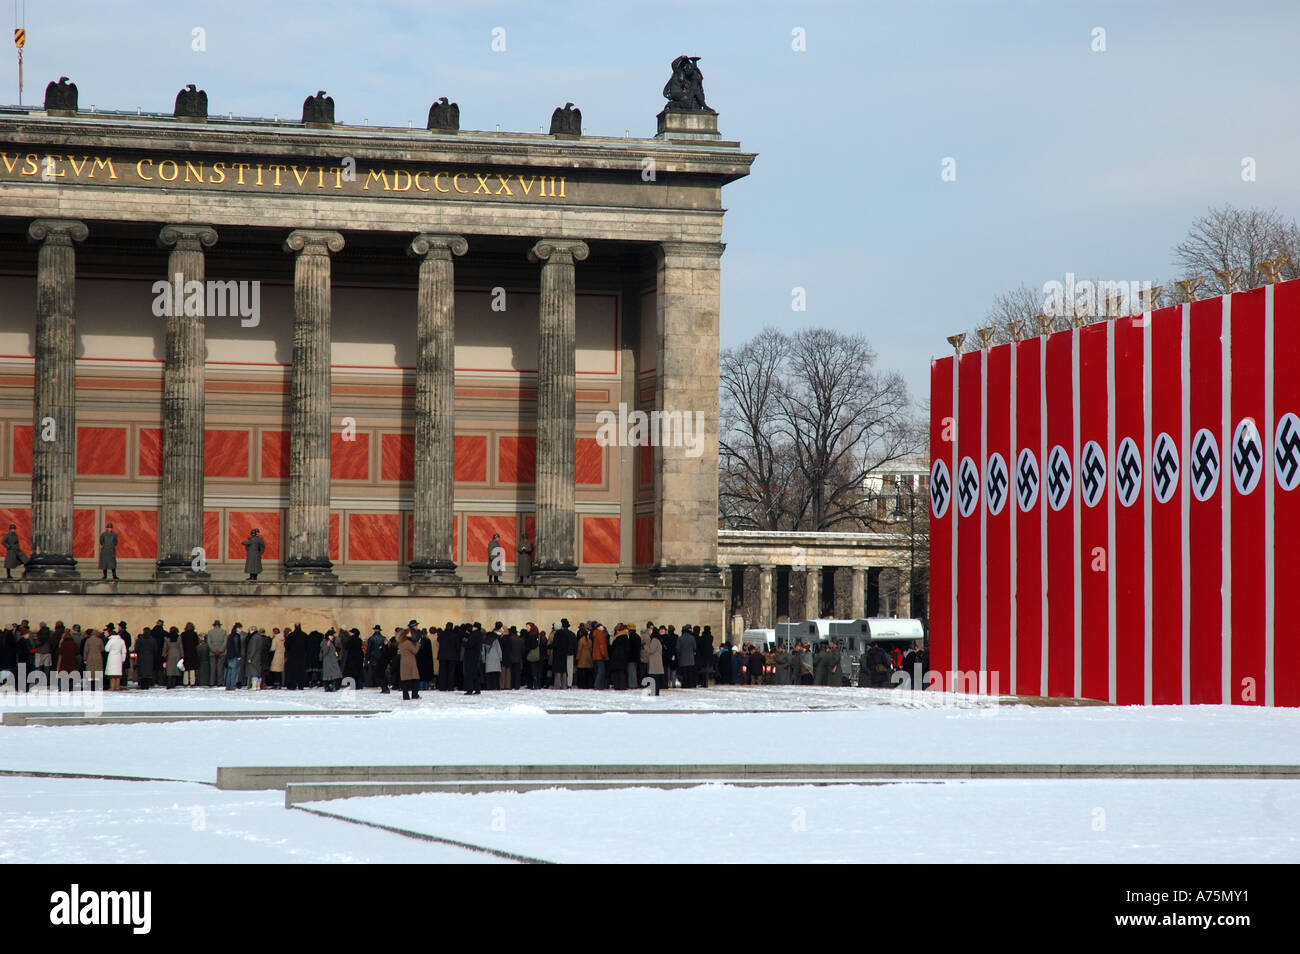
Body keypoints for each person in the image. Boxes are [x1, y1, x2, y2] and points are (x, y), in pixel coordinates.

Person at [398, 629, 421, 700]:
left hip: (404, 662)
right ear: (406, 634)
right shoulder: (407, 642)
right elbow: (415, 651)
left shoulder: (401, 642)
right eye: (410, 633)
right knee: (415, 679)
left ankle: (406, 696)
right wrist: (418, 644)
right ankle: (415, 694)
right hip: (410, 662)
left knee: (405, 680)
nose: (411, 634)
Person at [436, 623, 460, 691]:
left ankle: (442, 686)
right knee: (451, 672)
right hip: (452, 656)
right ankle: (450, 687)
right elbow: (457, 646)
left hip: (442, 656)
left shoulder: (442, 634)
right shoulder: (455, 635)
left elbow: (438, 639)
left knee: (442, 672)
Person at [462, 623, 483, 695]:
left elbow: (469, 645)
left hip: (471, 656)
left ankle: (469, 689)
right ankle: (477, 689)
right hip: (476, 656)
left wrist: (464, 640)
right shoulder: (479, 635)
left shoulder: (474, 635)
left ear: (476, 627)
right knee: (475, 674)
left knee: (469, 674)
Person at [676, 622, 696, 689]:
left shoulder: (680, 638)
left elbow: (678, 648)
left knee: (684, 674)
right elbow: (694, 647)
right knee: (690, 673)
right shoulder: (692, 638)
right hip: (691, 659)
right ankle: (690, 684)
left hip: (683, 658)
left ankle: (684, 684)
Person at [224, 625, 243, 690]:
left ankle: (228, 686)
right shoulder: (236, 636)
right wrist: (238, 656)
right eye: (240, 628)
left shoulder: (230, 635)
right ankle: (232, 686)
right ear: (237, 628)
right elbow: (237, 646)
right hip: (234, 656)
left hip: (229, 656)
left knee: (229, 671)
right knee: (234, 672)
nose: (241, 630)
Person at [646, 626, 664, 695]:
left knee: (654, 678)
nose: (649, 632)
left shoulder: (654, 640)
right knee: (656, 678)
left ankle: (654, 692)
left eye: (650, 630)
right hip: (657, 661)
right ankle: (655, 692)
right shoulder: (657, 639)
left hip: (655, 662)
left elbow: (651, 650)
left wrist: (645, 647)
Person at [180, 622, 199, 687]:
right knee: (192, 668)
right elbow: (197, 643)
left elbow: (181, 644)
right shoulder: (194, 634)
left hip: (185, 653)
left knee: (186, 668)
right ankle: (192, 682)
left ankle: (185, 682)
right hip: (193, 653)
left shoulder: (183, 634)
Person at [592, 623, 609, 690]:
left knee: (599, 671)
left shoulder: (595, 634)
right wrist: (605, 655)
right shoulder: (601, 634)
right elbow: (602, 646)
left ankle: (598, 685)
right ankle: (598, 685)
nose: (603, 627)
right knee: (601, 671)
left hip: (596, 655)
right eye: (601, 626)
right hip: (600, 656)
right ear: (598, 627)